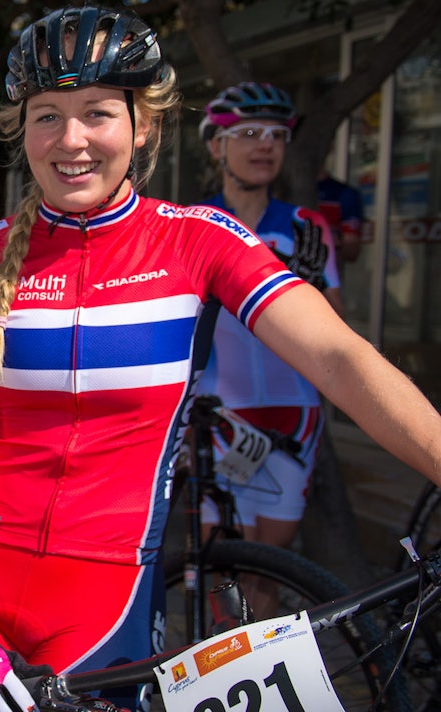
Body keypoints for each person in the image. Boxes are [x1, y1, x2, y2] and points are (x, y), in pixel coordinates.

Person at [0, 6, 441, 712]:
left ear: (145, 126)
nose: (70, 139)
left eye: (98, 112)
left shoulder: (199, 242)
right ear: (23, 131)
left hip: (102, 600)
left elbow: (342, 358)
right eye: (47, 116)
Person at [196, 82, 343, 564]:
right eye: (250, 133)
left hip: (293, 414)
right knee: (225, 566)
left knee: (272, 569)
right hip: (219, 414)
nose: (265, 145)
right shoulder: (195, 225)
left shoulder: (306, 226)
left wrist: (306, 293)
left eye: (277, 136)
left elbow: (336, 331)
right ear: (217, 146)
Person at [317, 166, 365, 266]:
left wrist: (330, 240)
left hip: (324, 275)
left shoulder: (344, 194)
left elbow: (352, 252)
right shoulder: (279, 190)